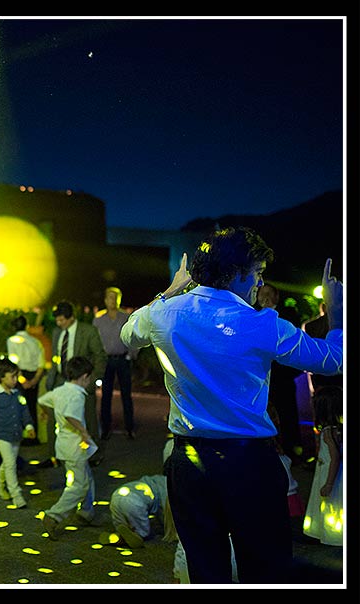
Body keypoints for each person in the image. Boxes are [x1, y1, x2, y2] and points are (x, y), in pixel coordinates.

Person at [120, 226, 343, 584]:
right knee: (265, 569)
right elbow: (334, 360)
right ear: (237, 272)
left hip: (189, 462)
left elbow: (128, 333)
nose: (259, 282)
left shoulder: (164, 313)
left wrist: (171, 290)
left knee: (206, 569)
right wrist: (338, 313)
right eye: (257, 272)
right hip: (249, 463)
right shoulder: (262, 324)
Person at [38, 356, 99, 540]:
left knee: (86, 477)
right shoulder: (77, 395)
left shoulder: (60, 391)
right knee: (78, 486)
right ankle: (53, 516)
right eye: (89, 378)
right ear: (85, 377)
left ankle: (86, 512)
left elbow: (42, 400)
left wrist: (46, 413)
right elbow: (71, 415)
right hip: (74, 446)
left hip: (63, 444)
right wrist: (84, 433)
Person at [39, 301, 107, 468]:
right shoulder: (57, 332)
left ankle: (93, 454)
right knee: (55, 418)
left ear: (71, 318)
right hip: (60, 379)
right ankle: (54, 456)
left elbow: (100, 356)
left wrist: (92, 381)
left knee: (88, 416)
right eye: (57, 320)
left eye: (62, 320)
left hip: (81, 381)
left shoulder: (88, 331)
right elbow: (56, 357)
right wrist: (51, 379)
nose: (59, 323)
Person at [255, 283, 305, 461]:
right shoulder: (252, 314)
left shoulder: (287, 314)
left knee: (287, 413)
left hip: (282, 375)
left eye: (268, 293)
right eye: (261, 294)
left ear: (276, 296)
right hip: (261, 376)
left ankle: (292, 450)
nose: (265, 297)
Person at [0, 357, 36, 509]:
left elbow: (24, 410)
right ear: (1, 377)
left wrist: (29, 426)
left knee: (8, 463)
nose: (16, 380)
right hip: (2, 435)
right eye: (13, 376)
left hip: (16, 434)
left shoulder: (17, 394)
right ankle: (16, 494)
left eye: (17, 376)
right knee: (10, 463)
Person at [93, 286, 137, 440]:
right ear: (105, 300)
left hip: (123, 359)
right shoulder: (98, 320)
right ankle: (106, 428)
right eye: (110, 297)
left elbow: (133, 337)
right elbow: (95, 342)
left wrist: (131, 355)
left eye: (116, 297)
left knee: (126, 395)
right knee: (106, 395)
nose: (113, 300)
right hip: (106, 360)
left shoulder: (126, 317)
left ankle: (129, 427)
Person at [302, 385, 343, 546]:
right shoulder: (338, 430)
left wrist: (329, 483)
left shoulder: (328, 433)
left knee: (332, 504)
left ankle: (333, 535)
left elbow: (335, 458)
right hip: (334, 474)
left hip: (330, 475)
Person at [6, 314, 46, 446]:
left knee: (19, 407)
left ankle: (21, 435)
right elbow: (41, 364)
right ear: (27, 326)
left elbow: (13, 362)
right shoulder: (36, 341)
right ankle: (33, 436)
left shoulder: (11, 341)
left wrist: (21, 379)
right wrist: (34, 380)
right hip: (33, 375)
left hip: (19, 376)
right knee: (31, 406)